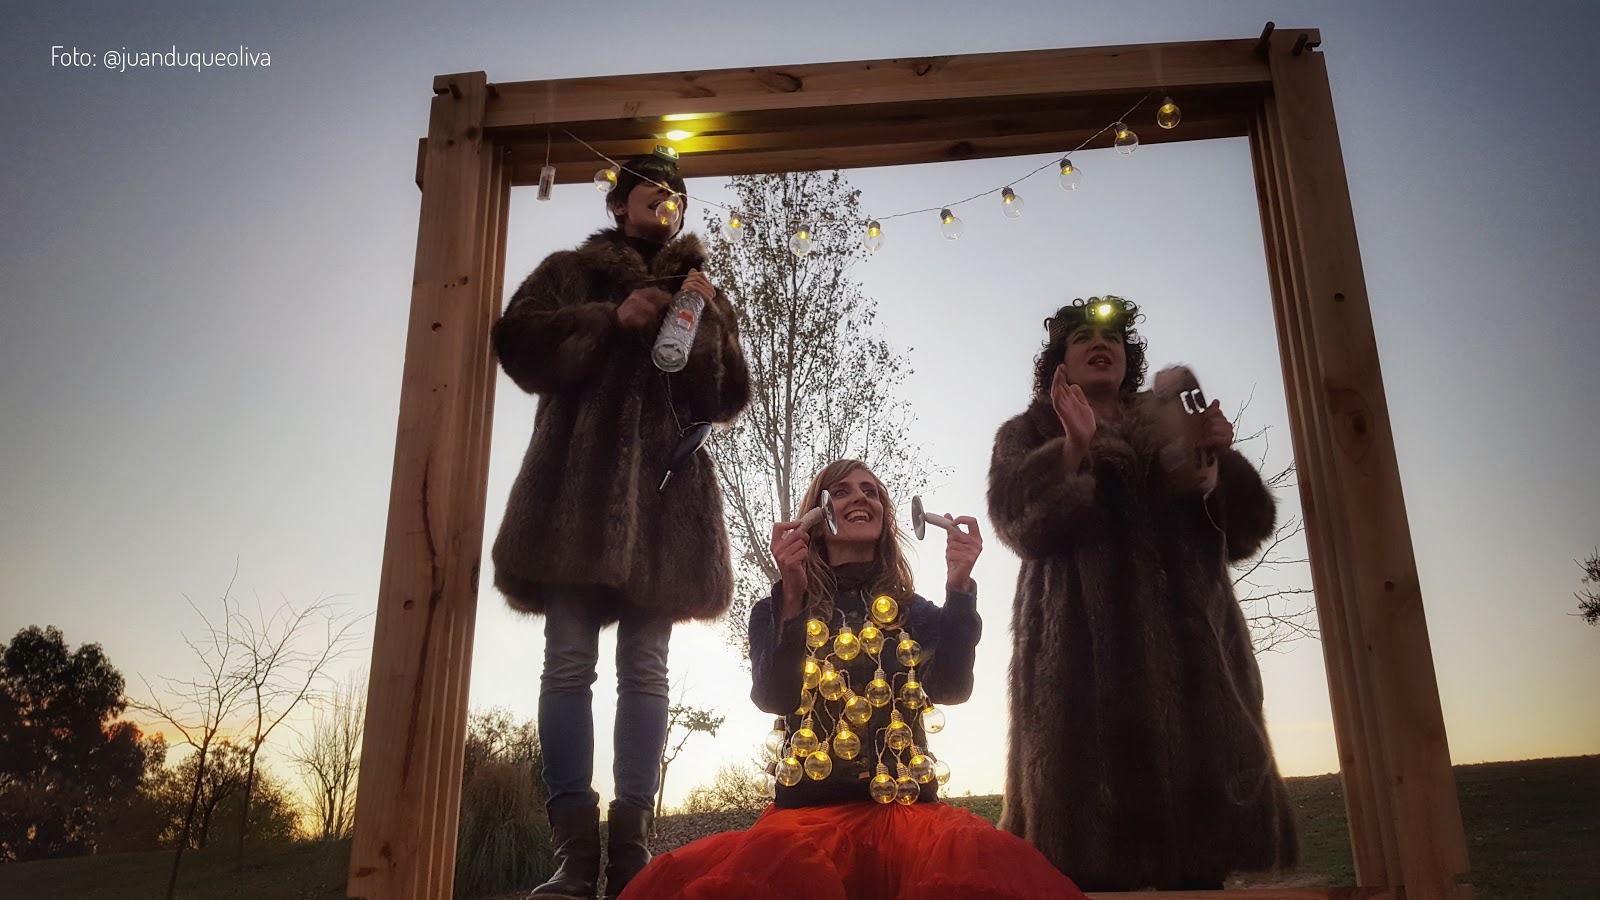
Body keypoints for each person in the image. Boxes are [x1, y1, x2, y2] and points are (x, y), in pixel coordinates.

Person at [620, 459, 1088, 900]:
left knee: (974, 875)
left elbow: (951, 688)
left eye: (871, 491)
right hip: (806, 822)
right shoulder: (774, 608)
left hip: (909, 816)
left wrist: (960, 587)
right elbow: (774, 696)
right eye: (841, 492)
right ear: (817, 515)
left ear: (885, 515)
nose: (860, 498)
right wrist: (792, 595)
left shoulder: (912, 611)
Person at [491, 151, 751, 900]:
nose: (666, 201)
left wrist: (699, 321)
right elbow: (518, 343)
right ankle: (574, 860)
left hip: (668, 504)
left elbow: (729, 397)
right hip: (576, 496)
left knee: (646, 670)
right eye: (651, 190)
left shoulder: (704, 290)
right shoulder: (571, 270)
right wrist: (611, 318)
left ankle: (631, 857)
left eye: (678, 195)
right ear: (618, 203)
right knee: (568, 663)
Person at [986, 296, 1299, 891]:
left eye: (1112, 338)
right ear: (1059, 364)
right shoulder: (1028, 432)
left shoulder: (1171, 425)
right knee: (1091, 872)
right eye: (1082, 337)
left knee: (1202, 872)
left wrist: (1219, 461)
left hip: (1197, 683)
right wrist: (1072, 448)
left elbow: (1247, 531)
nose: (1100, 343)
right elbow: (1016, 524)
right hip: (1082, 687)